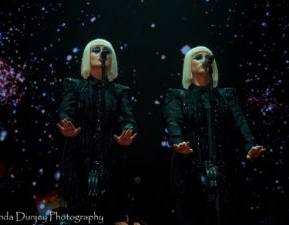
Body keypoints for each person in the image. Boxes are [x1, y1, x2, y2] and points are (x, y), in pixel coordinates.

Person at [163, 46, 265, 225]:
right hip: (189, 170)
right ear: (189, 64)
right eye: (198, 57)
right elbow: (173, 122)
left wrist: (250, 144)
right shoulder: (177, 96)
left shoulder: (226, 95)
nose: (204, 59)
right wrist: (178, 142)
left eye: (207, 56)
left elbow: (240, 122)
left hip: (223, 169)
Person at [57, 38, 138, 224]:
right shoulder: (74, 85)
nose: (102, 53)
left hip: (110, 159)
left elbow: (129, 120)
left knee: (110, 213)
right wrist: (66, 124)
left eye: (106, 51)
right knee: (79, 214)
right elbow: (65, 111)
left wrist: (128, 132)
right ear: (87, 56)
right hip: (79, 159)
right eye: (96, 50)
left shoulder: (120, 91)